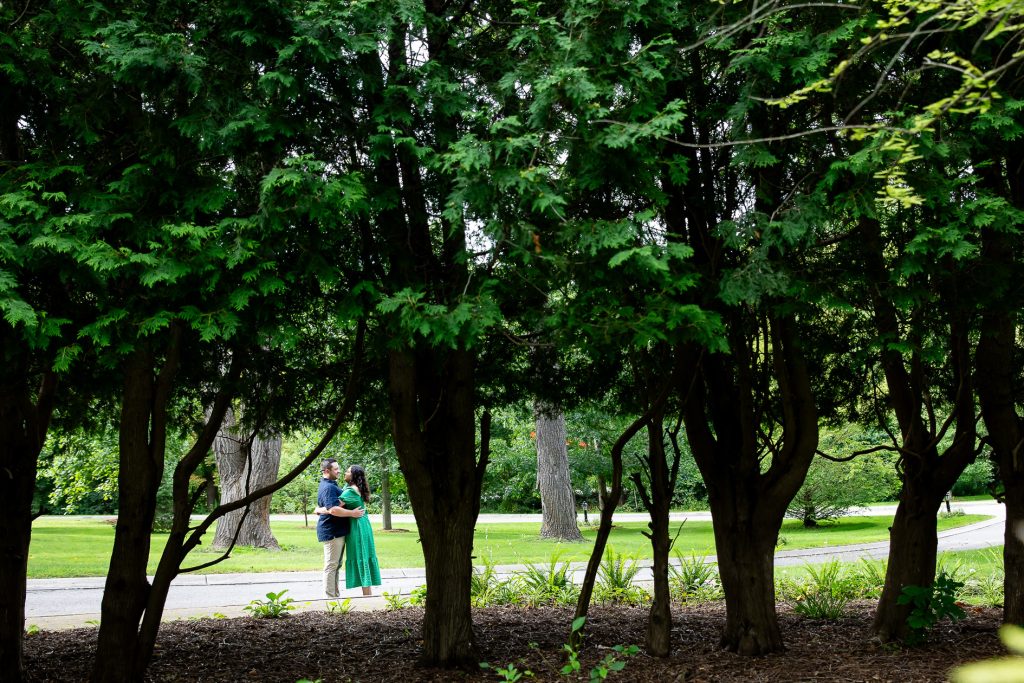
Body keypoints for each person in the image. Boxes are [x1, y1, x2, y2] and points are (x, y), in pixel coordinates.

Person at [316, 464, 381, 596]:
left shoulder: (350, 491)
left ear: (353, 476)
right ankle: (368, 595)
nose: (343, 472)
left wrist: (318, 510)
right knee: (364, 556)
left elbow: (334, 508)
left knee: (360, 556)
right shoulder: (352, 487)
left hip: (357, 527)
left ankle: (367, 596)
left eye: (347, 471)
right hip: (363, 524)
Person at [317, 458, 364, 598]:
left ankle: (335, 595)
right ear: (327, 471)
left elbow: (329, 506)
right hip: (332, 531)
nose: (339, 471)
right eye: (336, 469)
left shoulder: (332, 485)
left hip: (338, 531)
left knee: (336, 565)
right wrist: (352, 513)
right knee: (331, 565)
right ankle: (330, 598)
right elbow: (333, 509)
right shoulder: (328, 487)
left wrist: (319, 509)